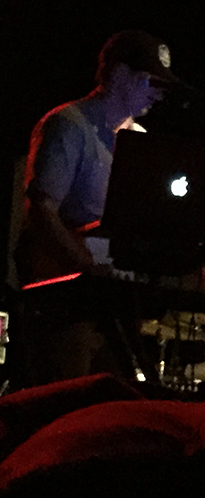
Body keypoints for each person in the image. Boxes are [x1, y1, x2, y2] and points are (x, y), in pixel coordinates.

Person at [14, 30, 177, 386]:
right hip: (67, 306)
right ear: (118, 74)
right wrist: (87, 267)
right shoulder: (69, 124)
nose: (159, 93)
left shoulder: (140, 140)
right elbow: (41, 211)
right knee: (67, 397)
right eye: (150, 81)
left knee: (113, 399)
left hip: (114, 301)